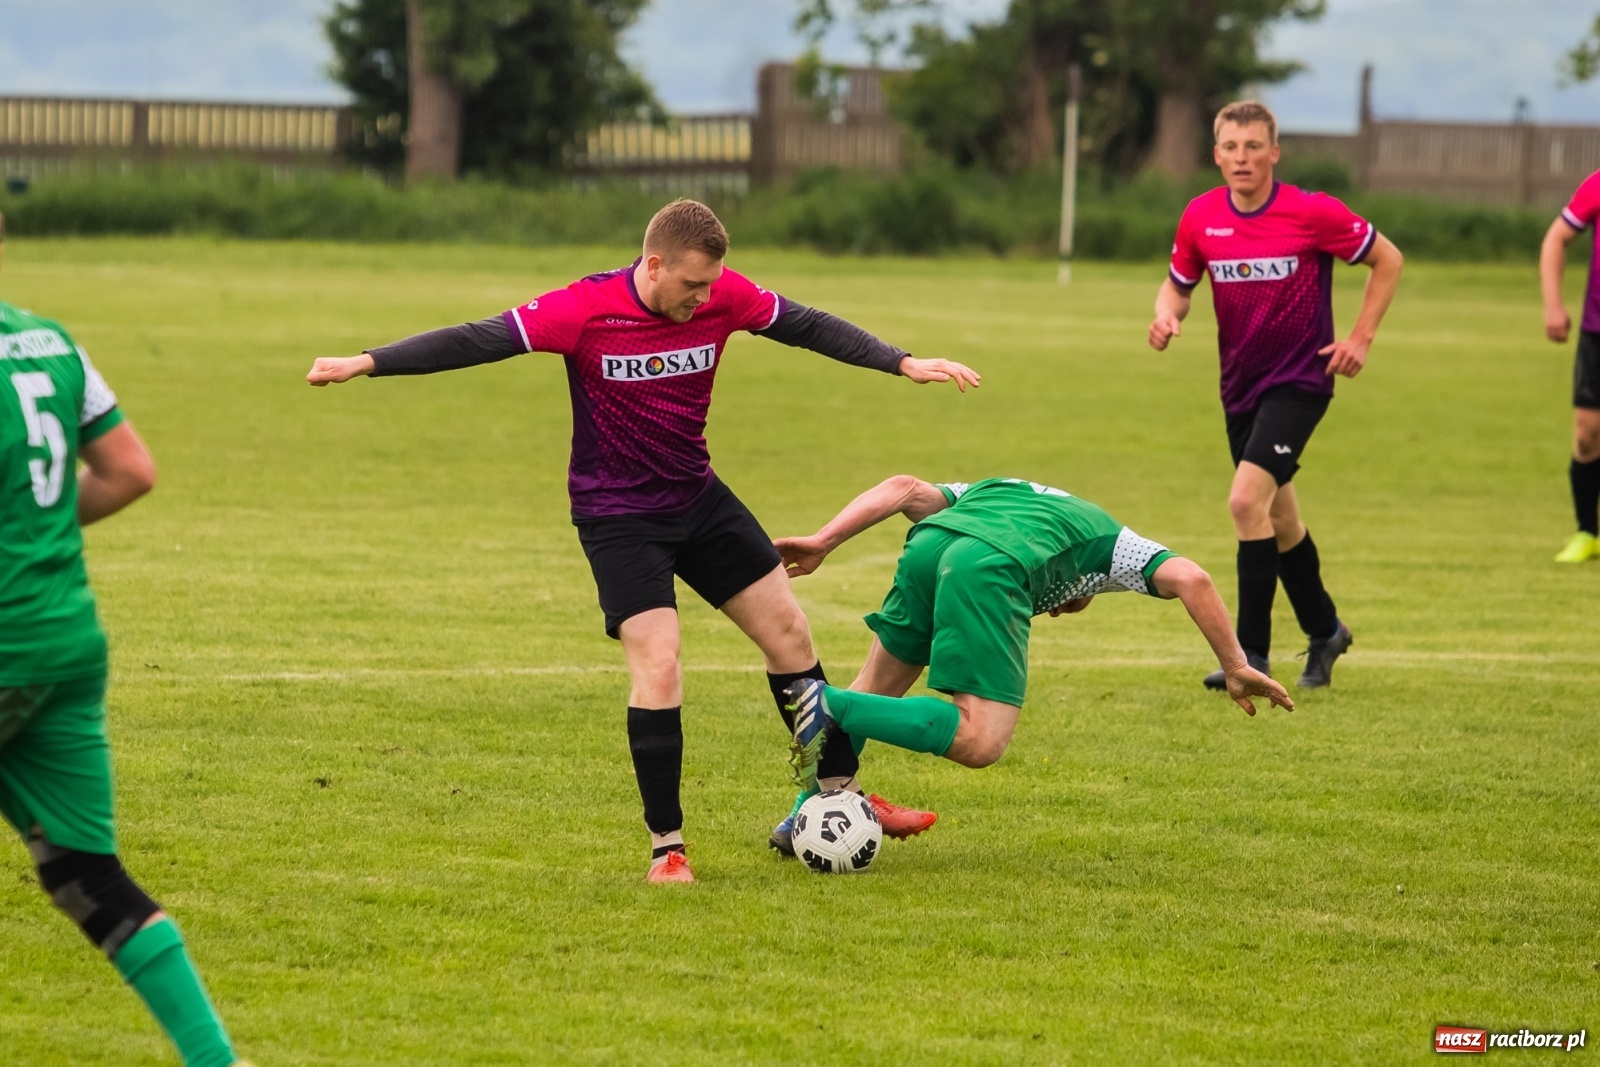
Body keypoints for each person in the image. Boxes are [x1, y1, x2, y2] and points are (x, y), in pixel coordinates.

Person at [306, 199, 975, 882]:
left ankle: (839, 797)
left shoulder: (723, 296)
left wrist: (903, 362)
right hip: (619, 516)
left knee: (789, 636)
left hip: (698, 498)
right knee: (659, 662)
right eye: (692, 285)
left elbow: (806, 324)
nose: (706, 297)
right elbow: (478, 338)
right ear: (653, 265)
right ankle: (668, 847)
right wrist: (367, 361)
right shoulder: (583, 310)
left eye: (713, 284)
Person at [0, 212, 249, 1066]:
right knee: (87, 878)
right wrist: (27, 532)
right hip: (63, 641)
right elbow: (129, 469)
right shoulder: (49, 342)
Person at [775, 475, 1293, 789]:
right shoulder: (1116, 544)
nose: (1059, 610)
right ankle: (825, 700)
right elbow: (1193, 578)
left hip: (930, 546)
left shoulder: (1004, 489)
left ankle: (808, 811)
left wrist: (825, 540)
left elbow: (905, 489)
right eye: (1067, 606)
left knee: (876, 695)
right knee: (980, 740)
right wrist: (1236, 665)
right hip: (988, 565)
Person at [1147, 100, 1403, 690]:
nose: (1242, 158)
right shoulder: (1200, 217)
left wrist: (1359, 338)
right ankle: (1325, 630)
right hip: (1239, 389)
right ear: (1216, 155)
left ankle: (1249, 659)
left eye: (1254, 147)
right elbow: (1179, 284)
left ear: (1274, 153)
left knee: (1244, 503)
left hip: (1301, 382)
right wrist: (1166, 315)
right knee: (1280, 518)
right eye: (1231, 148)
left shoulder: (1311, 213)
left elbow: (1388, 259)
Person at [1540, 169, 1600, 562]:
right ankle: (1586, 533)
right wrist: (1553, 304)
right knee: (1587, 434)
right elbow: (1556, 239)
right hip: (1598, 330)